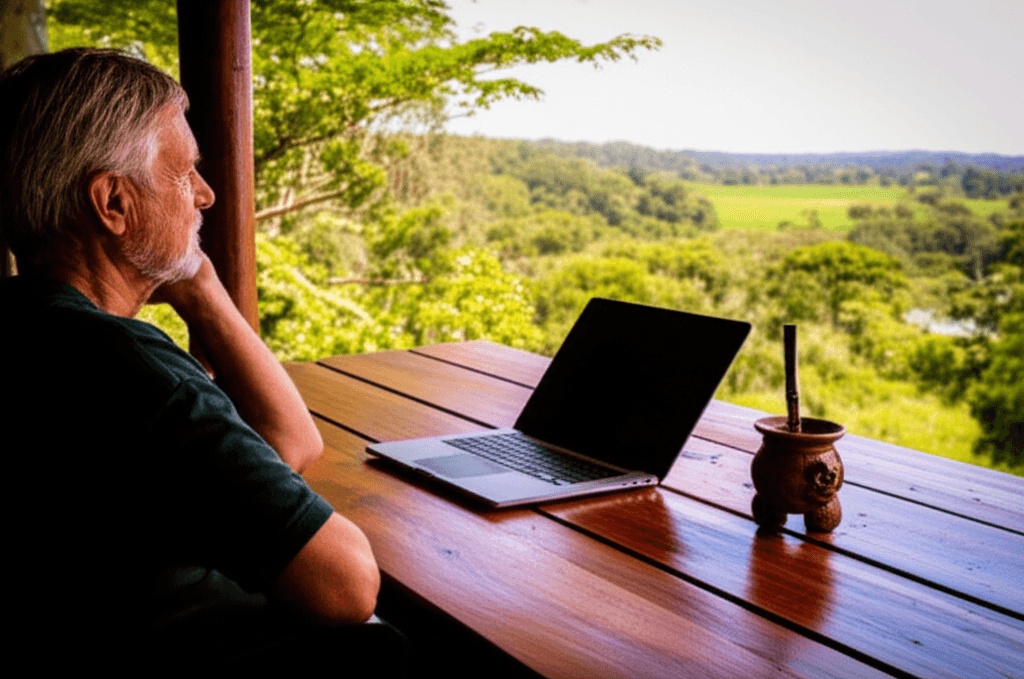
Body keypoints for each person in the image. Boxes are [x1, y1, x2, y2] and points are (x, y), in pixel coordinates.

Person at [0, 48, 404, 673]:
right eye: (184, 173)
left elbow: (288, 447)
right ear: (112, 204)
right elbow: (346, 585)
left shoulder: (29, 328)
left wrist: (200, 285)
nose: (206, 195)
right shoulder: (125, 366)